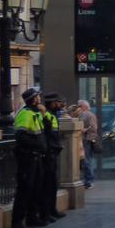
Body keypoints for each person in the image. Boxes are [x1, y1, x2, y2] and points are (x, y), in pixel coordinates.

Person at [11, 88, 47, 228]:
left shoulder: (35, 114)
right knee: (25, 189)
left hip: (36, 157)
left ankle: (32, 217)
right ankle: (17, 220)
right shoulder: (25, 114)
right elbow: (21, 136)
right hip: (27, 157)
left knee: (36, 189)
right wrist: (37, 145)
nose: (40, 99)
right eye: (38, 97)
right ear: (33, 99)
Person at [39, 92, 67, 221]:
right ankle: (46, 212)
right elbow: (46, 135)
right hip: (47, 154)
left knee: (53, 184)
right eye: (57, 102)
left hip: (53, 153)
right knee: (47, 184)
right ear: (51, 103)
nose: (59, 104)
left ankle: (52, 209)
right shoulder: (47, 116)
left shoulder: (53, 115)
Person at [77, 99, 99, 189]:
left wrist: (85, 131)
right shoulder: (82, 114)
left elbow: (93, 128)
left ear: (84, 106)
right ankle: (88, 179)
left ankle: (89, 180)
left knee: (87, 160)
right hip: (84, 140)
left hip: (86, 140)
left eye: (79, 106)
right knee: (86, 160)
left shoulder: (89, 115)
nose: (78, 108)